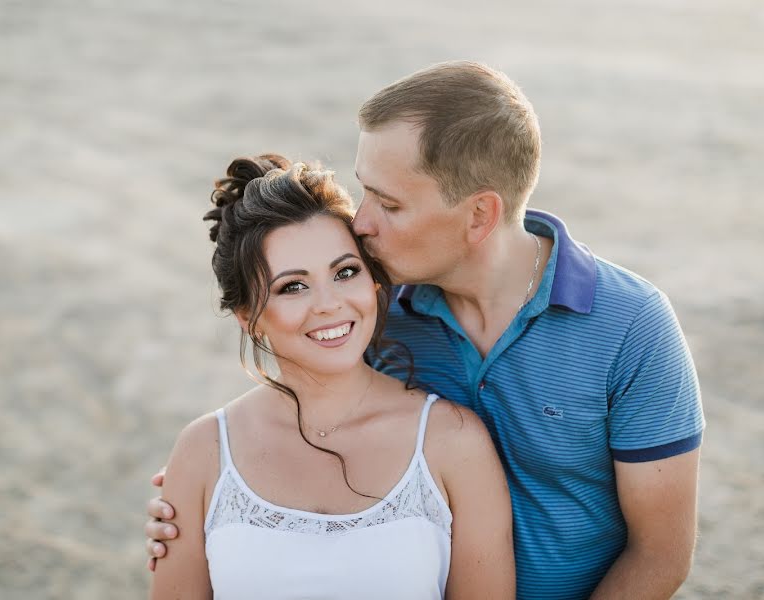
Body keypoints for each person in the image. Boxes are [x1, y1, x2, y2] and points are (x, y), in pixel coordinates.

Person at [147, 62, 705, 599]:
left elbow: (660, 555)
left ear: (479, 217)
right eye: (366, 190)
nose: (360, 222)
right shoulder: (375, 308)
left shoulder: (633, 327)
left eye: (389, 204)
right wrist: (209, 507)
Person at [148, 154, 515, 599]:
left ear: (375, 286)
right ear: (249, 317)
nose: (329, 304)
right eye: (293, 286)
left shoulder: (454, 442)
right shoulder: (204, 451)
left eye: (345, 272)